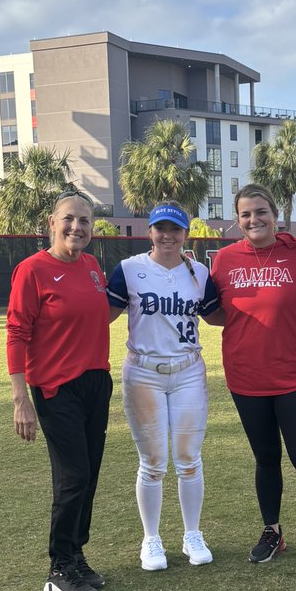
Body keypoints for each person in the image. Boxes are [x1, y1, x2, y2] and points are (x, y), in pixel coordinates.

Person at [210, 183, 296, 565]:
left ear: (275, 215)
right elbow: (214, 311)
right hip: (245, 377)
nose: (254, 219)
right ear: (238, 221)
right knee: (265, 457)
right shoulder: (224, 260)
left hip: (295, 375)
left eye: (261, 212)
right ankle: (273, 531)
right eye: (246, 214)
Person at [6, 191, 113, 591]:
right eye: (69, 219)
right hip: (55, 388)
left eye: (85, 221)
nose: (77, 228)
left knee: (90, 475)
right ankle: (58, 567)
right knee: (73, 477)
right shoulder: (32, 270)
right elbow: (17, 333)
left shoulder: (91, 267)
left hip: (94, 383)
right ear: (52, 223)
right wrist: (21, 400)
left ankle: (75, 553)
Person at [106, 203, 219, 571]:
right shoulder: (130, 269)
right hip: (143, 373)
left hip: (187, 371)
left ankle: (192, 534)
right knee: (153, 462)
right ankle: (151, 539)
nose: (167, 235)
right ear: (150, 231)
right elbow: (99, 315)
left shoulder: (199, 272)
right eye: (160, 228)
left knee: (189, 459)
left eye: (175, 229)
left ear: (186, 233)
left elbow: (218, 315)